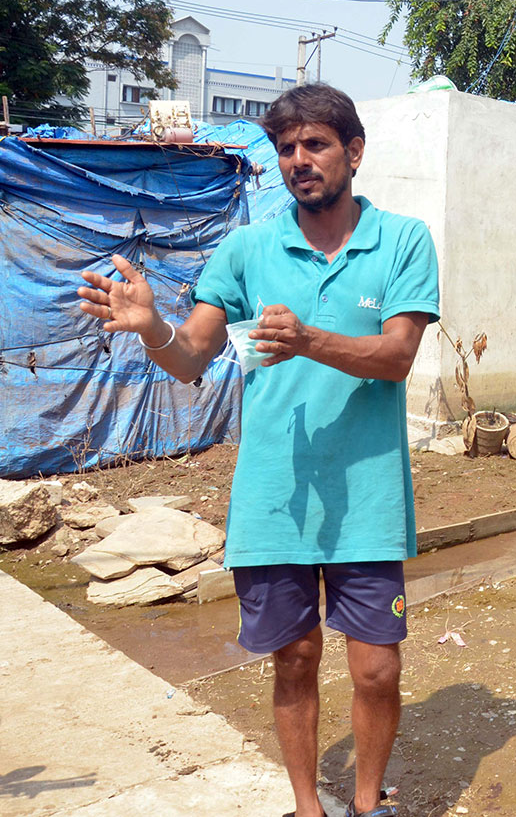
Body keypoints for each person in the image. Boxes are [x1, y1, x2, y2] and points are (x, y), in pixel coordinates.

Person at [76, 84, 439, 817]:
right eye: (286, 150)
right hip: (274, 495)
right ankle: (308, 808)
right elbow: (191, 357)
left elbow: (397, 356)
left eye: (315, 145)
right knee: (295, 658)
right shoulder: (246, 248)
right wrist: (152, 327)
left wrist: (308, 339)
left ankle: (368, 803)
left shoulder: (402, 240)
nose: (298, 161)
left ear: (353, 152)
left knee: (375, 670)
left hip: (367, 495)